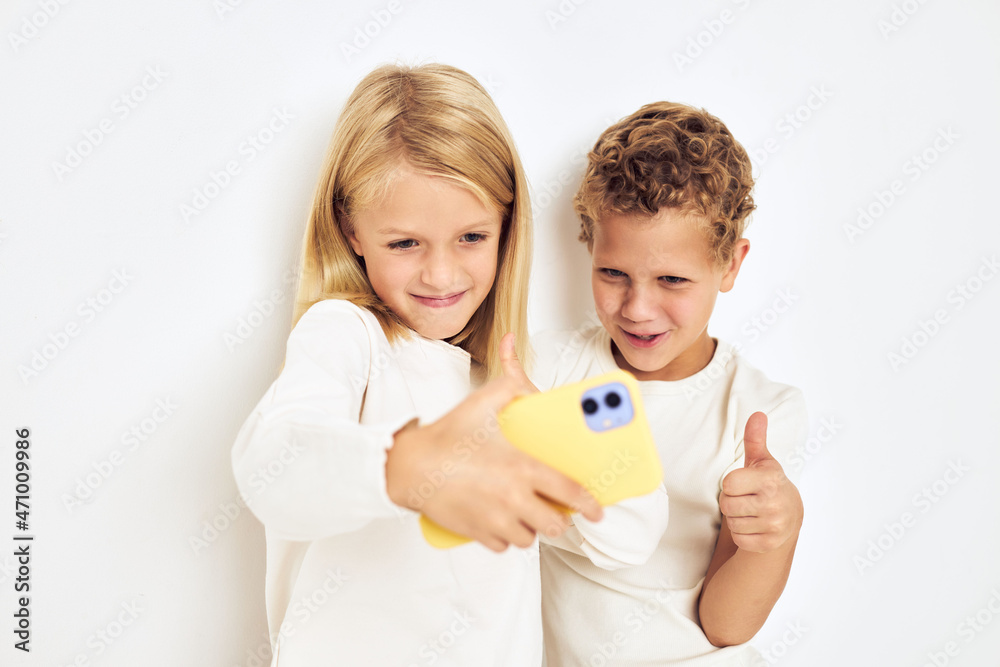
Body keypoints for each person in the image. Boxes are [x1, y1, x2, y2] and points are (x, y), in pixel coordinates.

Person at [230, 63, 604, 667]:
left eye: (472, 238)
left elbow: (624, 538)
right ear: (351, 230)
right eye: (405, 243)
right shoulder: (347, 335)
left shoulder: (510, 383)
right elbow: (272, 466)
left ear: (507, 227)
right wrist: (404, 467)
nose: (441, 274)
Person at [533, 101, 809, 666]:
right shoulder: (551, 369)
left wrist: (776, 536)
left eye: (672, 280)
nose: (638, 308)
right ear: (589, 247)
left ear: (730, 265)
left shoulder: (758, 413)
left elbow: (726, 625)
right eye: (613, 273)